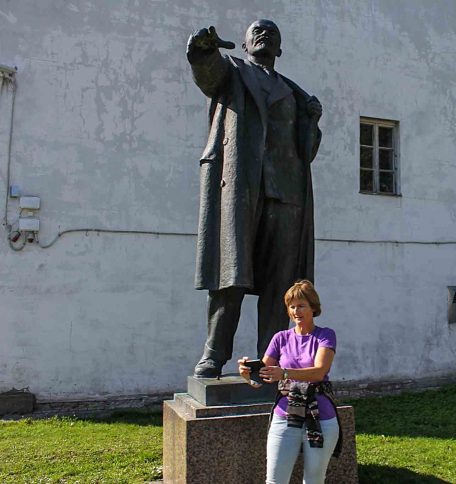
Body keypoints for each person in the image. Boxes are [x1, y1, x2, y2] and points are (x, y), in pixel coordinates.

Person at [186, 19, 322, 378]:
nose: (265, 34)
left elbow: (305, 152)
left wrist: (312, 120)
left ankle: (271, 359)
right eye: (257, 31)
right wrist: (203, 49)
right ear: (244, 45)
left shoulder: (294, 94)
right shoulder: (233, 73)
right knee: (231, 274)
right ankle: (214, 354)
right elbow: (207, 74)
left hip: (286, 193)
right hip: (242, 185)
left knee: (282, 284)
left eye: (273, 33)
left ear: (280, 49)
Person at [238, 280, 341, 484]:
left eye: (301, 305)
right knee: (275, 480)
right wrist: (248, 373)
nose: (296, 311)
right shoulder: (281, 338)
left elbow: (319, 372)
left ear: (313, 307)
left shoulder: (325, 335)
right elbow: (265, 373)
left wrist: (284, 373)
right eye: (292, 306)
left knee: (314, 480)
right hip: (285, 415)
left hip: (320, 417)